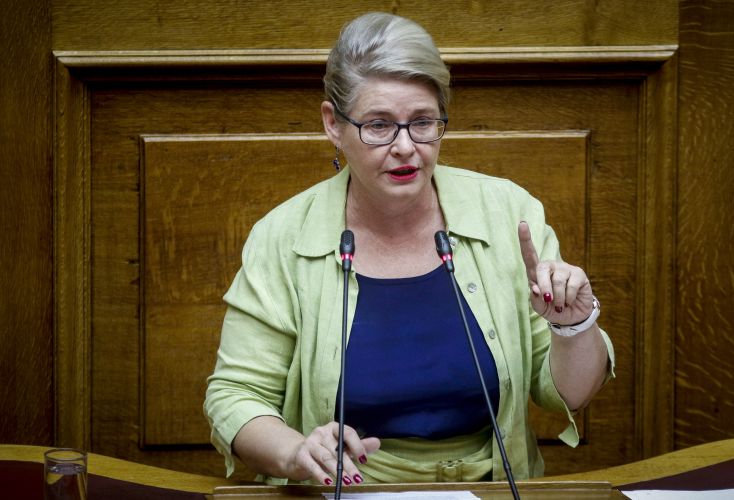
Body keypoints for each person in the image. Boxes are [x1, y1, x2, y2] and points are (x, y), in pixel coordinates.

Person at [204, 11, 615, 487]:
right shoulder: (284, 236)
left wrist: (573, 327)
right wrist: (295, 454)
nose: (405, 146)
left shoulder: (507, 213)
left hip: (491, 489)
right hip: (341, 492)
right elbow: (236, 396)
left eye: (422, 122)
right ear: (333, 124)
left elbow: (567, 394)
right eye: (379, 125)